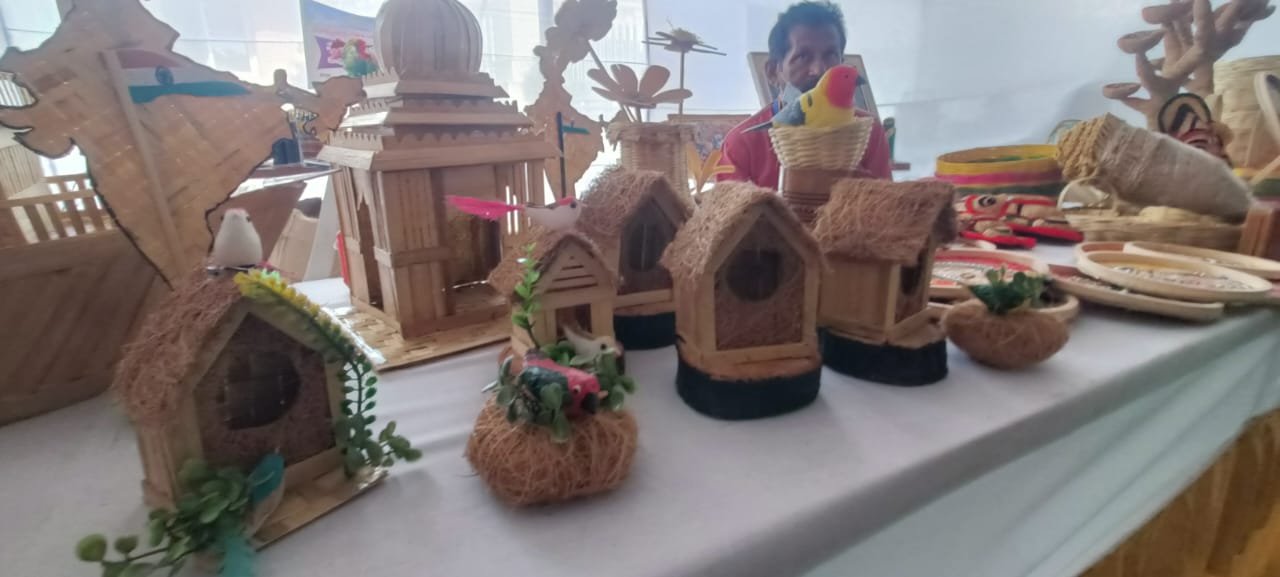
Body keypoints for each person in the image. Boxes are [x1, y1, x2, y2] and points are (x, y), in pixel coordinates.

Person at [718, 1, 892, 188]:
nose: (819, 70)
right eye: (802, 56)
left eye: (830, 55)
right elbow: (730, 207)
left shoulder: (867, 131)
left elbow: (883, 203)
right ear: (773, 71)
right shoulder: (741, 144)